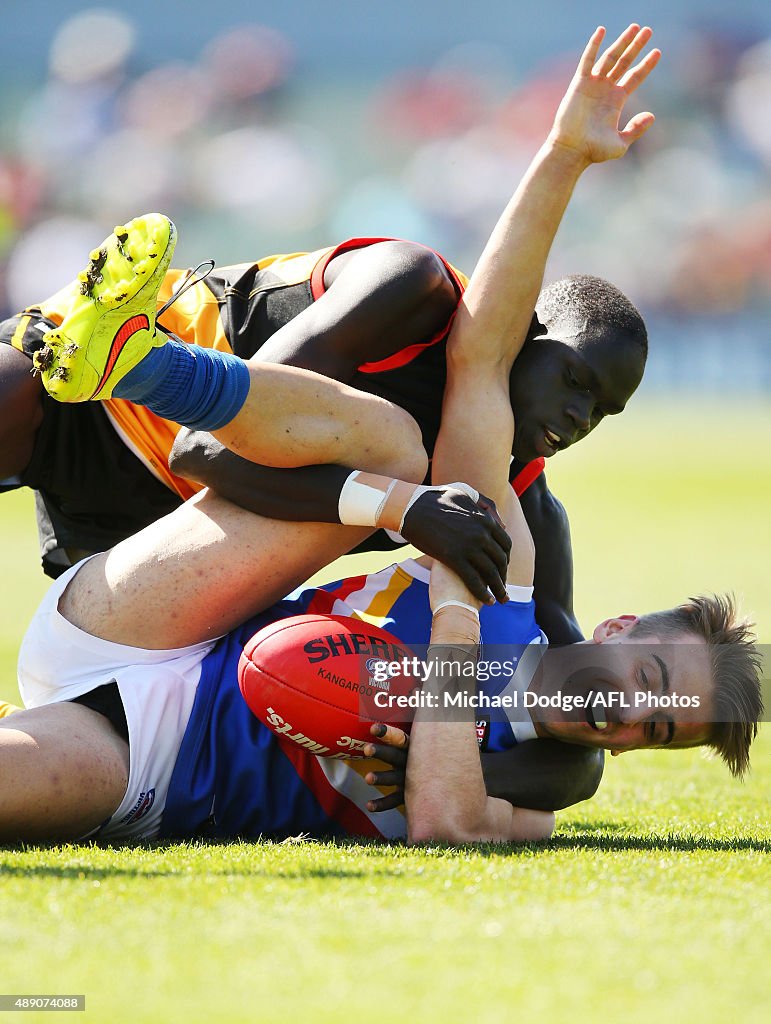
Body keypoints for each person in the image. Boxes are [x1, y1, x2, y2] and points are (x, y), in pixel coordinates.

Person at [2, 24, 759, 847]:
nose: (629, 710)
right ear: (614, 632)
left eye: (656, 730)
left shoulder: (546, 786)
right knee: (400, 450)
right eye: (648, 680)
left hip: (151, 762)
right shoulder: (502, 566)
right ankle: (148, 365)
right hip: (158, 604)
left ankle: (149, 369)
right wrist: (564, 154)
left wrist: (452, 638)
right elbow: (480, 352)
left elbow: (446, 821)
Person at [0, 67, 641, 654]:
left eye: (603, 411)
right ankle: (132, 355)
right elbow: (205, 449)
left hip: (156, 525)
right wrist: (402, 508)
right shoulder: (409, 289)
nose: (580, 416)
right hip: (85, 395)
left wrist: (651, 683)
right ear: (526, 331)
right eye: (575, 379)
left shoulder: (515, 490)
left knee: (127, 701)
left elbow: (559, 657)